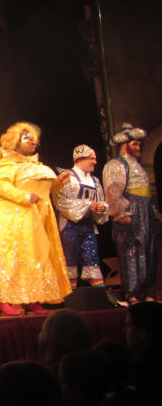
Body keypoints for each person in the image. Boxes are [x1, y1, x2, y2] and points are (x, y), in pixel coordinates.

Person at [0, 122, 71, 316]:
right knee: (15, 258)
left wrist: (57, 184)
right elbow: (1, 187)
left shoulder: (35, 164)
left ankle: (30, 297)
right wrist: (24, 197)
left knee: (36, 258)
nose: (32, 141)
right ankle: (5, 300)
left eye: (33, 137)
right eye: (26, 137)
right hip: (13, 217)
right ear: (16, 142)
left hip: (36, 217)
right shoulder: (5, 164)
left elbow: (41, 190)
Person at [103, 123, 160, 304]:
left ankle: (148, 290)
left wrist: (155, 214)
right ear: (125, 145)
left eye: (138, 144)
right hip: (131, 209)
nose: (138, 148)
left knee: (149, 250)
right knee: (132, 252)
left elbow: (146, 194)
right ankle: (132, 292)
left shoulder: (138, 166)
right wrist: (120, 213)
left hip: (144, 211)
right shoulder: (116, 164)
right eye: (134, 144)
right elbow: (113, 191)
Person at [52, 144, 109, 290]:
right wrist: (87, 205)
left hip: (88, 226)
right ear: (80, 159)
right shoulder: (66, 177)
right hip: (70, 226)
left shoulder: (95, 181)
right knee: (70, 260)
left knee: (92, 259)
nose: (95, 162)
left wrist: (101, 207)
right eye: (92, 159)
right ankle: (71, 297)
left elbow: (101, 200)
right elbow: (60, 201)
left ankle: (99, 295)